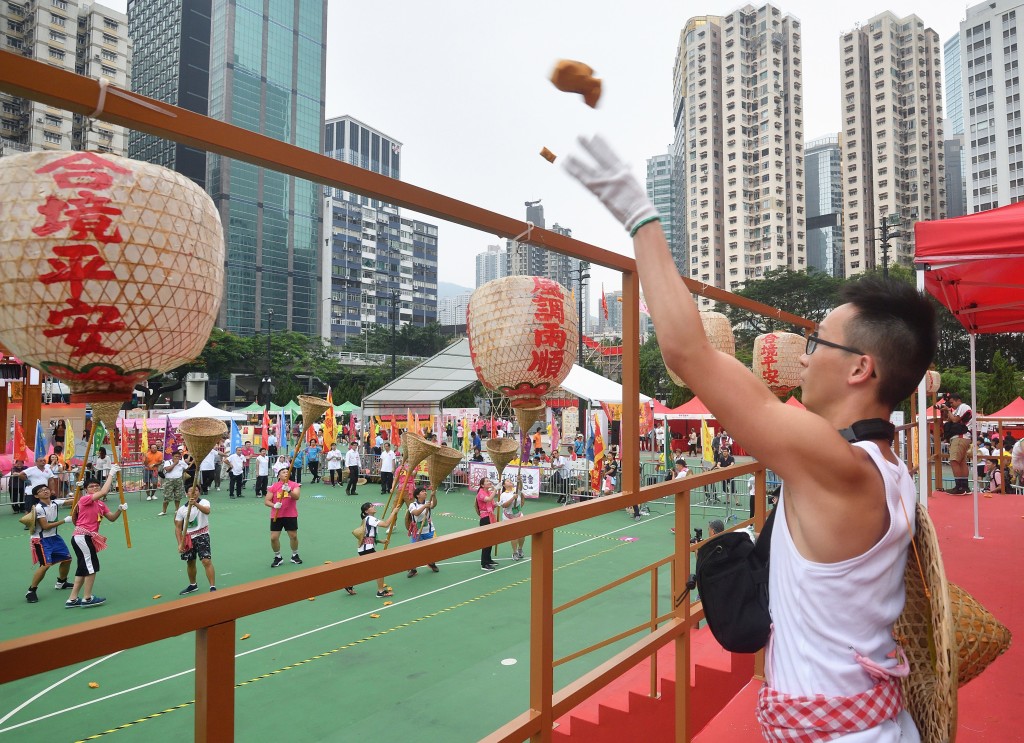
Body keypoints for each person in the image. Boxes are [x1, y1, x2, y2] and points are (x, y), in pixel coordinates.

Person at [566, 134, 935, 740]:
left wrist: (635, 211)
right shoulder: (889, 466)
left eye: (818, 342)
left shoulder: (836, 465)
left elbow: (688, 350)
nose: (804, 354)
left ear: (860, 369)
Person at [66, 465, 127, 608]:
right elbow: (105, 490)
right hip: (83, 537)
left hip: (87, 538)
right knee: (91, 567)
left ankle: (72, 598)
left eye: (97, 486)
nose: (95, 488)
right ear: (86, 489)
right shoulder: (85, 499)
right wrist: (111, 474)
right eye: (92, 486)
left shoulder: (100, 504)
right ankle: (87, 598)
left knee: (83, 568)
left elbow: (111, 518)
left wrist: (119, 510)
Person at [24, 483, 75, 604]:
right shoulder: (38, 508)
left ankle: (61, 582)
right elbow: (45, 526)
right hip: (41, 540)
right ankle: (31, 590)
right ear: (37, 496)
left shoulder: (55, 503)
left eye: (46, 489)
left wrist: (79, 488)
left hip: (54, 537)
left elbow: (73, 501)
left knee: (67, 559)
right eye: (41, 491)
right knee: (45, 565)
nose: (45, 491)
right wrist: (64, 520)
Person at [347, 501, 401, 597]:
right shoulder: (370, 519)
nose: (373, 507)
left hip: (364, 549)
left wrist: (380, 541)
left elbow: (369, 536)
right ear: (367, 511)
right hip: (367, 549)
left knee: (367, 569)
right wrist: (393, 512)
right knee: (379, 569)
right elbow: (385, 524)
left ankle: (349, 584)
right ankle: (380, 592)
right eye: (371, 506)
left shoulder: (367, 519)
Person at [175, 485, 216, 594]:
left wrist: (196, 504)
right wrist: (180, 543)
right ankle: (193, 585)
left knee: (206, 560)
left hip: (202, 535)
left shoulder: (204, 502)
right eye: (191, 491)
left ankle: (212, 587)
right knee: (190, 562)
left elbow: (207, 511)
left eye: (196, 490)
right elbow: (178, 528)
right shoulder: (181, 510)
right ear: (186, 494)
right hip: (188, 537)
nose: (194, 492)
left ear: (199, 492)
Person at [265, 467, 302, 567]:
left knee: (293, 536)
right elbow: (267, 501)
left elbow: (297, 497)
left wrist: (289, 491)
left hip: (290, 514)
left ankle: (295, 555)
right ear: (279, 475)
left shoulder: (294, 485)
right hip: (277, 515)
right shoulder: (274, 487)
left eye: (287, 472)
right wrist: (274, 505)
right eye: (283, 472)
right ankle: (278, 557)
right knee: (273, 538)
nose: (286, 473)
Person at [940, 392, 973, 494]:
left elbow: (954, 420)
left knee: (954, 461)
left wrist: (948, 410)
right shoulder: (957, 409)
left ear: (958, 400)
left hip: (960, 437)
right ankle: (964, 487)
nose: (951, 404)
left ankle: (959, 487)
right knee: (961, 462)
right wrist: (946, 411)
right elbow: (949, 419)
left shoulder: (963, 406)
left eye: (952, 402)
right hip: (963, 437)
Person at [406, 485, 440, 576]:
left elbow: (434, 505)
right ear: (417, 495)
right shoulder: (412, 505)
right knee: (415, 550)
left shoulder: (428, 502)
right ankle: (413, 569)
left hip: (429, 530)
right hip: (417, 531)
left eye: (425, 491)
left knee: (431, 548)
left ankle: (431, 563)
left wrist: (434, 495)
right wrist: (425, 506)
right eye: (422, 491)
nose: (425, 492)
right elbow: (416, 513)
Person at [475, 477, 500, 570]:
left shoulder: (489, 492)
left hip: (491, 516)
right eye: (487, 481)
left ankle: (488, 559)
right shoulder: (480, 493)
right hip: (485, 518)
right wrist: (495, 489)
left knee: (491, 539)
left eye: (489, 480)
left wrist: (497, 504)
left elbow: (491, 504)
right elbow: (488, 499)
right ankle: (484, 563)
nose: (489, 482)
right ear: (482, 485)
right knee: (486, 540)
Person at [499, 478, 526, 560]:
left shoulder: (516, 489)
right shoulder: (503, 494)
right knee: (514, 535)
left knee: (522, 534)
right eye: (507, 481)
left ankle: (520, 549)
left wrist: (520, 480)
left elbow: (520, 488)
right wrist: (512, 498)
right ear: (504, 485)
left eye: (510, 480)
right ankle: (514, 552)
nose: (509, 481)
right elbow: (504, 505)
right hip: (508, 517)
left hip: (518, 515)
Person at [17, 456, 50, 520]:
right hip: (31, 492)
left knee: (44, 507)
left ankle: (43, 521)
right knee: (29, 508)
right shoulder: (31, 469)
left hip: (43, 492)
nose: (43, 462)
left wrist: (52, 489)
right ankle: (27, 522)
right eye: (41, 461)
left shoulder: (47, 470)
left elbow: (51, 479)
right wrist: (27, 481)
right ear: (36, 462)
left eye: (44, 461)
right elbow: (21, 474)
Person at [160, 449, 188, 516]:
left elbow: (186, 468)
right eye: (176, 456)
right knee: (167, 496)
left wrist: (181, 472)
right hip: (169, 480)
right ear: (172, 456)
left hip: (178, 480)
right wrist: (175, 463)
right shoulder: (168, 462)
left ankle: (177, 510)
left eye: (178, 456)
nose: (177, 458)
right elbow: (168, 470)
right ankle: (164, 511)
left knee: (178, 496)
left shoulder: (182, 462)